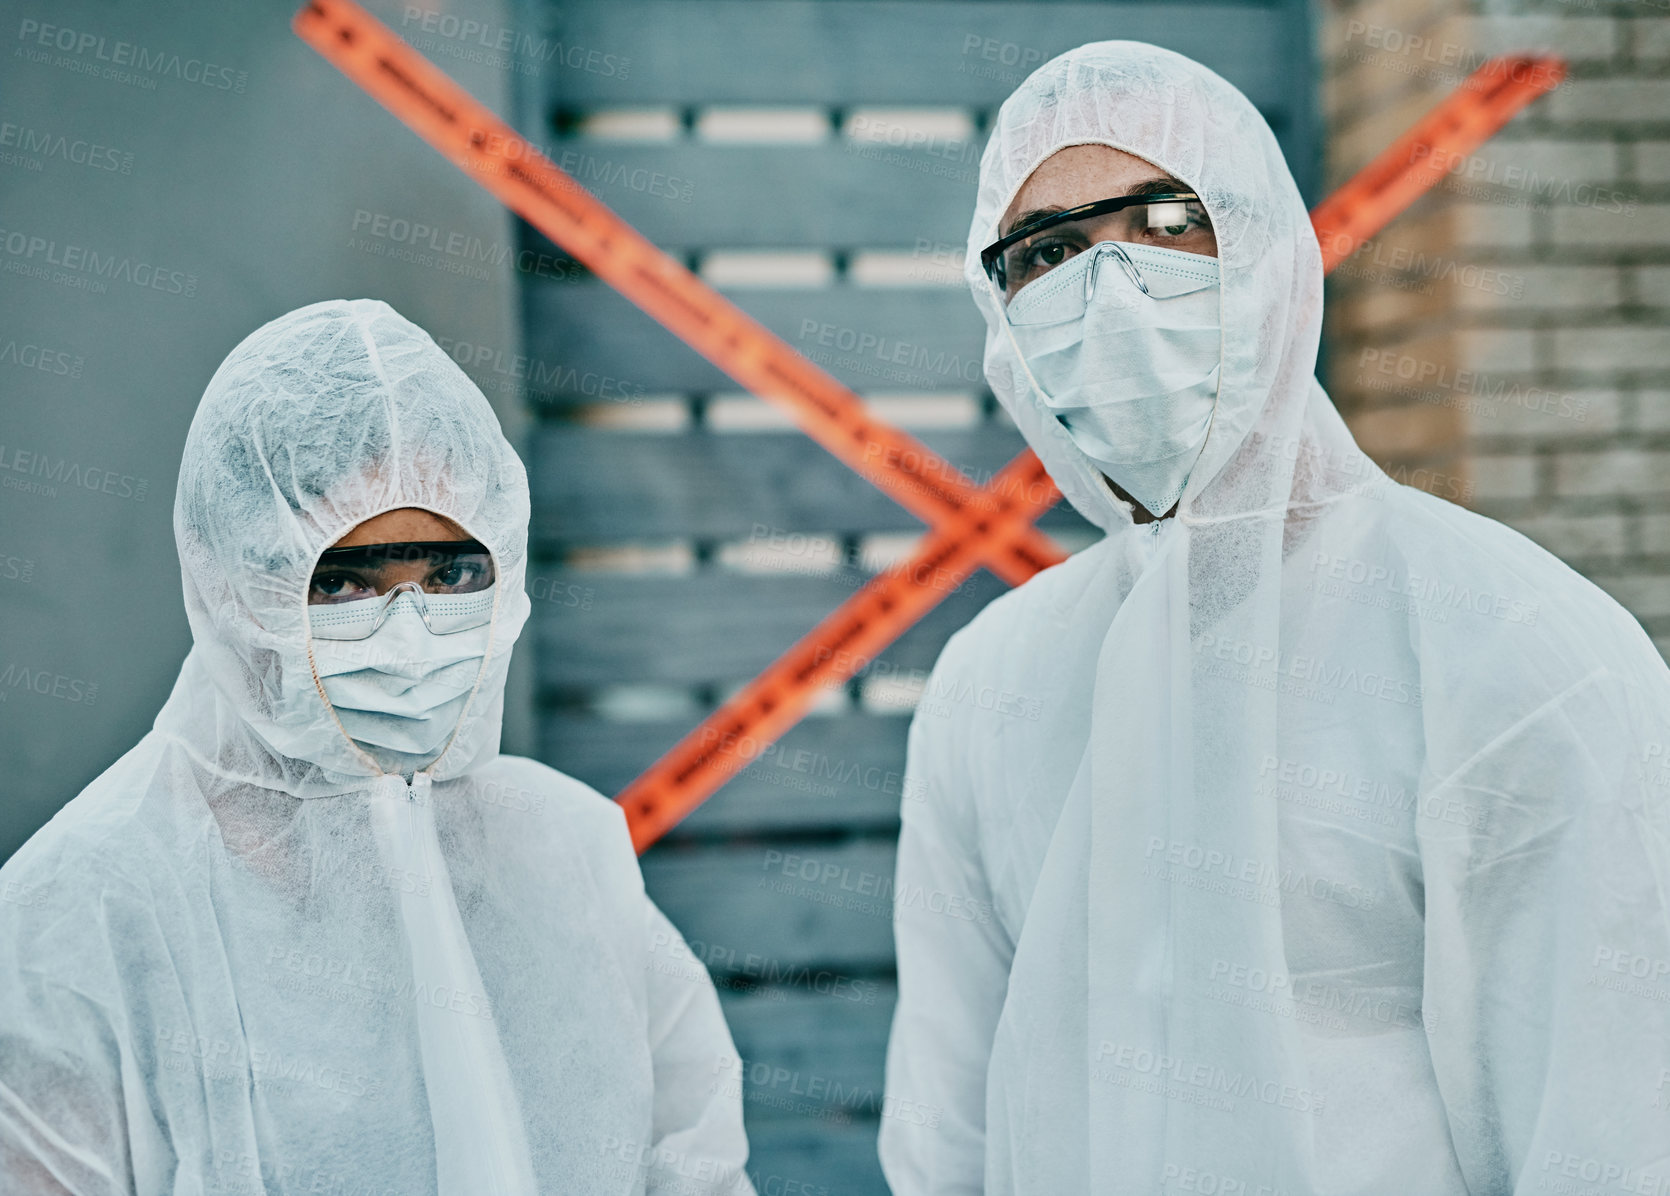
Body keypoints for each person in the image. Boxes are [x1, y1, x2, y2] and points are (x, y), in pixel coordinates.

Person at [878, 41, 1670, 1194]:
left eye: (1164, 217)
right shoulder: (991, 681)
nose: (1107, 287)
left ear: (1269, 257)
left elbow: (1610, 1125)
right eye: (1044, 252)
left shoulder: (1513, 648)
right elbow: (947, 1126)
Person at [0, 299, 754, 1195]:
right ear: (235, 581)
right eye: (349, 580)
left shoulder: (568, 856)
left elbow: (695, 1164)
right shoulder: (79, 912)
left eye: (451, 575)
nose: (409, 639)